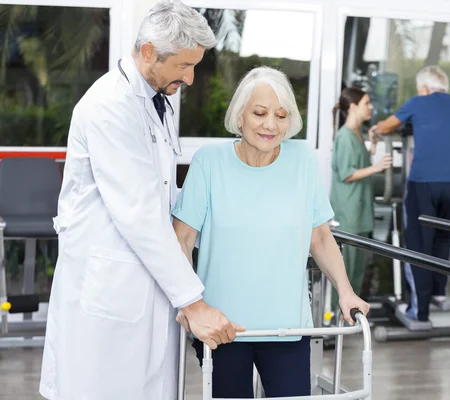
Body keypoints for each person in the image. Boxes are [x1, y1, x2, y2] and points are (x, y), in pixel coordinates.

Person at [39, 2, 244, 399]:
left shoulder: (154, 100)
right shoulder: (110, 107)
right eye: (184, 65)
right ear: (149, 51)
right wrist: (194, 303)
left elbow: (161, 191)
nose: (190, 77)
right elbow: (139, 213)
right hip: (109, 281)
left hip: (143, 280)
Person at [172, 66, 370, 398]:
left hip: (287, 326)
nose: (270, 125)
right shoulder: (209, 163)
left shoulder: (302, 162)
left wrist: (345, 292)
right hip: (223, 326)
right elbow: (182, 240)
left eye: (281, 115)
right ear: (240, 116)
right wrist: (189, 303)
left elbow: (320, 236)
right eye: (260, 113)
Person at [373, 65, 450, 323]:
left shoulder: (419, 102)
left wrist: (378, 129)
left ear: (426, 88)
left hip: (424, 181)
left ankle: (420, 310)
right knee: (442, 237)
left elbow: (387, 126)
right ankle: (439, 293)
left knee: (418, 244)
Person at [329, 87, 393, 314]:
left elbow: (360, 162)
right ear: (353, 107)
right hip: (349, 213)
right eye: (367, 103)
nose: (371, 107)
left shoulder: (357, 134)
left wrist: (373, 144)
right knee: (346, 270)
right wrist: (377, 167)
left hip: (361, 212)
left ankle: (350, 316)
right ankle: (337, 318)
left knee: (357, 269)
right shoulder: (345, 136)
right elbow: (347, 173)